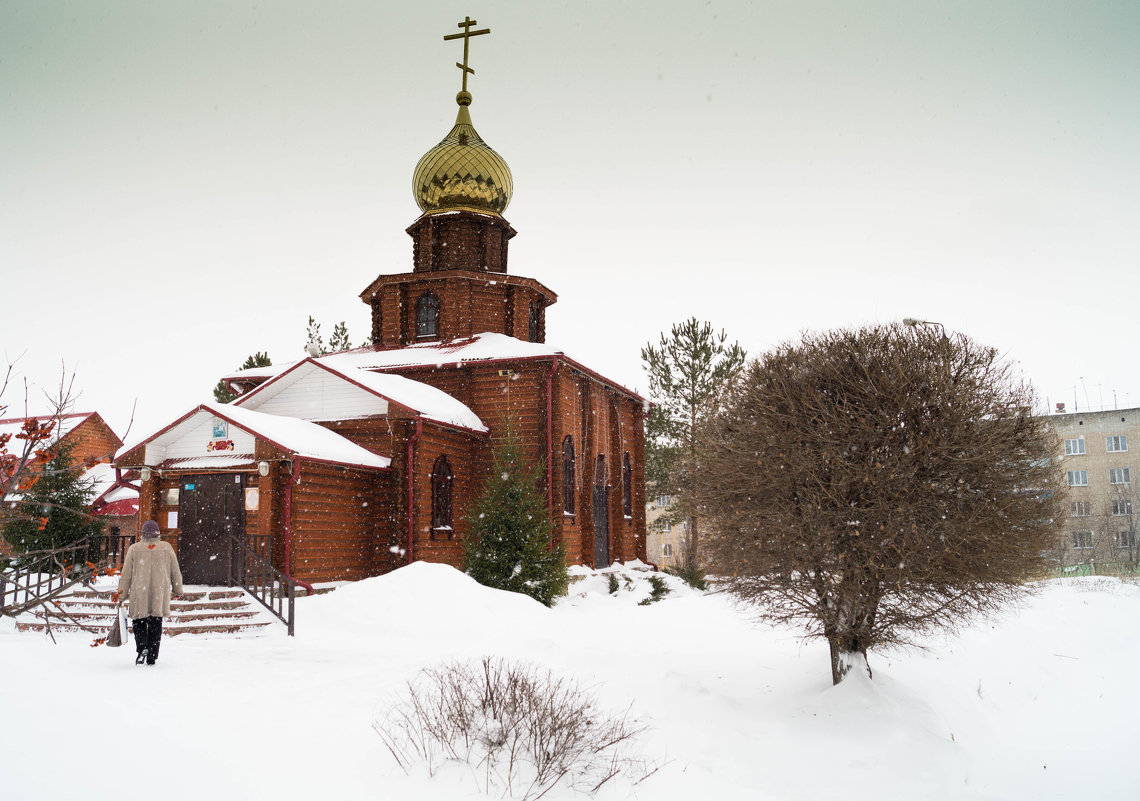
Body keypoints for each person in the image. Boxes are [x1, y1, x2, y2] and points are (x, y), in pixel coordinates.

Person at [114, 520, 183, 665]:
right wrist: (177, 589)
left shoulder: (134, 549)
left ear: (143, 534)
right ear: (157, 533)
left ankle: (142, 647)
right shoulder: (166, 547)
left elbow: (126, 574)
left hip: (140, 592)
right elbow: (175, 571)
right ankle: (152, 655)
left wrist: (121, 594)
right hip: (160, 592)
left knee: (139, 621)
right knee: (155, 622)